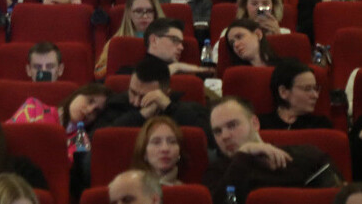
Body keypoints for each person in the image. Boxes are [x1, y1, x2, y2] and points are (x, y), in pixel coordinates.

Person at [205, 95, 339, 202]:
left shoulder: (306, 156)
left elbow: (337, 195)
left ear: (254, 123)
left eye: (232, 125)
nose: (224, 136)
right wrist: (244, 153)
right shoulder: (216, 173)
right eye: (217, 131)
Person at [94, 57, 210, 134]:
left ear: (166, 94)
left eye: (144, 96)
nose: (135, 102)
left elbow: (210, 141)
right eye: (133, 92)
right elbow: (95, 141)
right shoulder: (115, 105)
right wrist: (140, 116)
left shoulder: (187, 110)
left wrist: (169, 107)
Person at [7, 81, 109, 160]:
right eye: (90, 101)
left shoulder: (81, 141)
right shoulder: (34, 107)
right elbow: (7, 140)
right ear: (77, 94)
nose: (90, 110)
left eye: (96, 111)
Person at [214, 0, 289, 64]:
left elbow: (290, 64)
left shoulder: (285, 33)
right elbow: (217, 60)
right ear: (245, 6)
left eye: (265, 3)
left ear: (273, 6)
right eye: (254, 3)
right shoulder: (231, 33)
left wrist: (278, 37)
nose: (259, 8)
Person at [95, 0, 164, 79]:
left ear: (156, 13)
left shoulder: (166, 39)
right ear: (129, 13)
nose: (145, 16)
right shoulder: (116, 42)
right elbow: (98, 73)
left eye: (149, 11)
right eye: (138, 11)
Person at [257, 58, 333, 129]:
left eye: (315, 89)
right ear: (283, 92)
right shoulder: (259, 125)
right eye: (307, 89)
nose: (316, 96)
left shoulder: (321, 125)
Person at [135, 18, 208, 77]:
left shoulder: (186, 75)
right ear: (154, 40)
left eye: (181, 42)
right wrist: (177, 66)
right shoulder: (134, 73)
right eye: (175, 40)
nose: (181, 47)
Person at [130, 116, 184, 186]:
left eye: (172, 142)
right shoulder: (129, 188)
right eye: (156, 142)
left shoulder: (185, 190)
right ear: (144, 152)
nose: (165, 149)